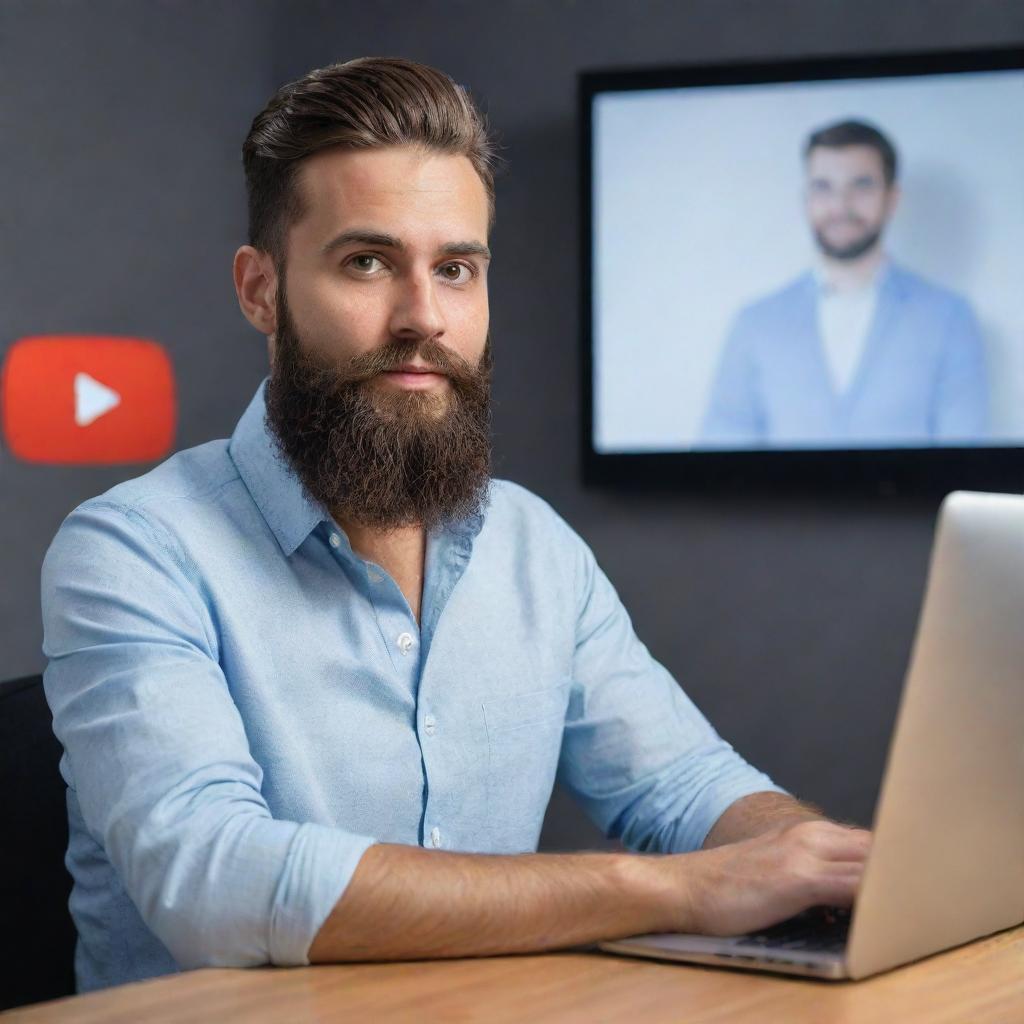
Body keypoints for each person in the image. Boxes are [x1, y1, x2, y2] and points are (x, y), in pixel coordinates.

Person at [41, 58, 871, 992]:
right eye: (367, 262)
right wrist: (673, 890)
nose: (423, 317)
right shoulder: (132, 550)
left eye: (456, 269)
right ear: (260, 290)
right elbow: (212, 883)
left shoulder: (534, 549)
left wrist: (832, 861)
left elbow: (683, 789)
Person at [699, 119, 988, 448]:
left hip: (912, 502)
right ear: (806, 199)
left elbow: (966, 459)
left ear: (891, 198)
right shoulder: (755, 324)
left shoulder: (949, 317)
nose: (841, 206)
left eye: (861, 185)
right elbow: (720, 462)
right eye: (824, 186)